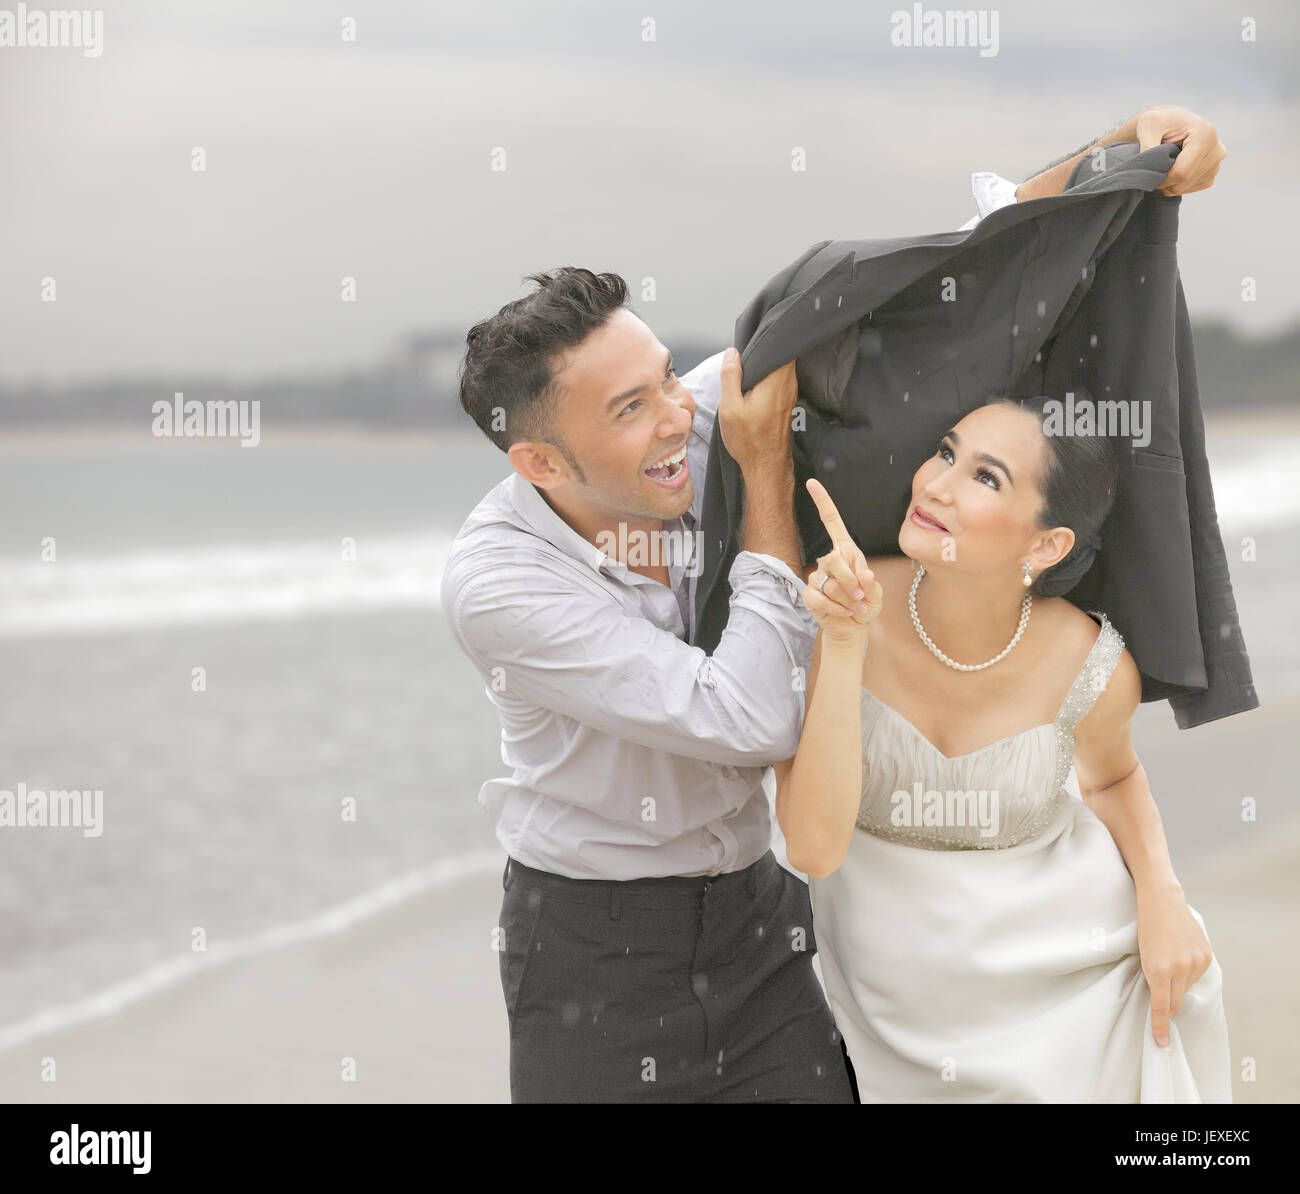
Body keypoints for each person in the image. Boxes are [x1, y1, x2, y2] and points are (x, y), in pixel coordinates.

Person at [441, 107, 1227, 1103]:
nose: (678, 416)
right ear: (539, 462)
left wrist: (1125, 159)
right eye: (629, 409)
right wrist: (765, 468)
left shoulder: (682, 430)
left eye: (661, 382)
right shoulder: (499, 585)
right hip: (594, 951)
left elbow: (936, 302)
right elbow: (748, 716)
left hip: (764, 931)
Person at [776, 395, 1232, 1102]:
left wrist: (1163, 898)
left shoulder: (1091, 662)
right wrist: (844, 642)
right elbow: (810, 849)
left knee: (1182, 987)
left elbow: (1113, 781)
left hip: (1058, 963)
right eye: (947, 452)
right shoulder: (839, 604)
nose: (935, 484)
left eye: (985, 479)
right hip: (897, 988)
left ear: (1045, 545)